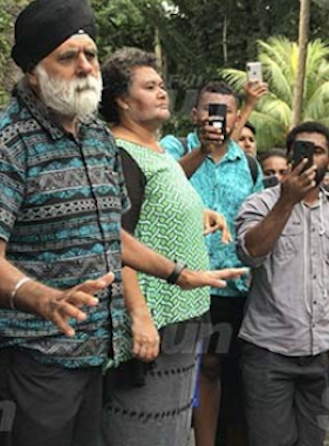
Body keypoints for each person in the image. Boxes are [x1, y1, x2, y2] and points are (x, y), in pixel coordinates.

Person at [0, 0, 241, 446]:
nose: (87, 67)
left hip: (94, 356)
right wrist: (44, 299)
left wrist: (176, 274)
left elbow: (109, 232)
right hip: (29, 358)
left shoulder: (94, 136)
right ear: (34, 71)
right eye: (69, 57)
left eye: (90, 54)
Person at [99, 48, 232, 446]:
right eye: (150, 86)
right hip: (153, 322)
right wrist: (138, 315)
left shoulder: (153, 150)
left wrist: (198, 213)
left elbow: (161, 201)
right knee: (143, 426)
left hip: (181, 319)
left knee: (173, 427)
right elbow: (115, 240)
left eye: (161, 85)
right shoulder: (121, 154)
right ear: (122, 100)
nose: (162, 93)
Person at [236, 121, 329, 446]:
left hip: (322, 351)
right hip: (268, 350)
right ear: (290, 155)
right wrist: (286, 200)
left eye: (318, 151)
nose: (309, 158)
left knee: (313, 441)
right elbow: (251, 253)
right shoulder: (260, 204)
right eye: (301, 150)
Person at [160, 81, 263, 446]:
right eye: (208, 110)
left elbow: (256, 225)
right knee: (177, 370)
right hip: (176, 282)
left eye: (224, 111)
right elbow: (162, 187)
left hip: (232, 286)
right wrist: (202, 149)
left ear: (236, 118)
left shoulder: (249, 165)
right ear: (194, 114)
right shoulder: (174, 148)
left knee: (220, 369)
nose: (214, 118)